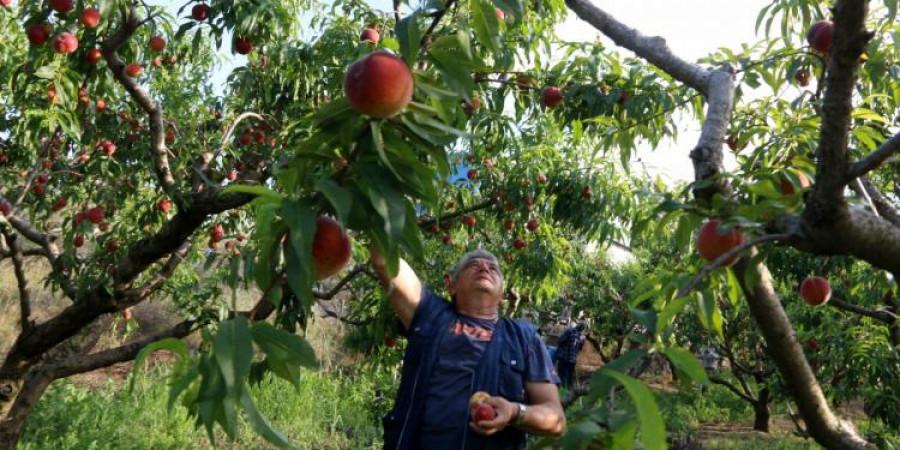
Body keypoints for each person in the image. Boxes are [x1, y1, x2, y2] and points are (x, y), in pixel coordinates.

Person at [371, 248, 566, 450]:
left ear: (501, 297)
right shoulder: (430, 315)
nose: (484, 267)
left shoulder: (524, 338)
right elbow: (384, 259)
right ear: (452, 285)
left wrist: (514, 412)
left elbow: (556, 419)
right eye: (474, 264)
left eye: (493, 268)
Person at [555, 322, 587, 388]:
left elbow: (559, 341)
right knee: (570, 377)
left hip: (564, 357)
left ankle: (561, 389)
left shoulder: (569, 331)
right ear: (583, 329)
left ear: (577, 325)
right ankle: (568, 390)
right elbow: (580, 348)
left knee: (561, 375)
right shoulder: (582, 336)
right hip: (573, 359)